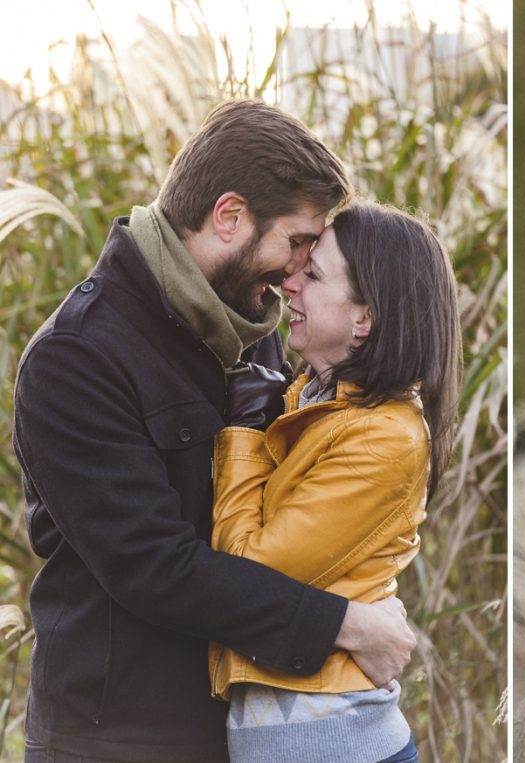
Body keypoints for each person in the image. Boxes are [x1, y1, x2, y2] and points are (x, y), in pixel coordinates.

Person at [12, 100, 416, 762]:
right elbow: (154, 566)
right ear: (229, 216)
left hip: (233, 730)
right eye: (295, 243)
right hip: (115, 740)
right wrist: (343, 625)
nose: (295, 276)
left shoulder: (247, 330)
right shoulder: (74, 358)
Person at [207, 202, 460, 763]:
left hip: (331, 744)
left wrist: (244, 436)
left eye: (314, 275)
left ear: (363, 319)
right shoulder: (316, 405)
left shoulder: (384, 438)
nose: (289, 283)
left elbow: (246, 574)